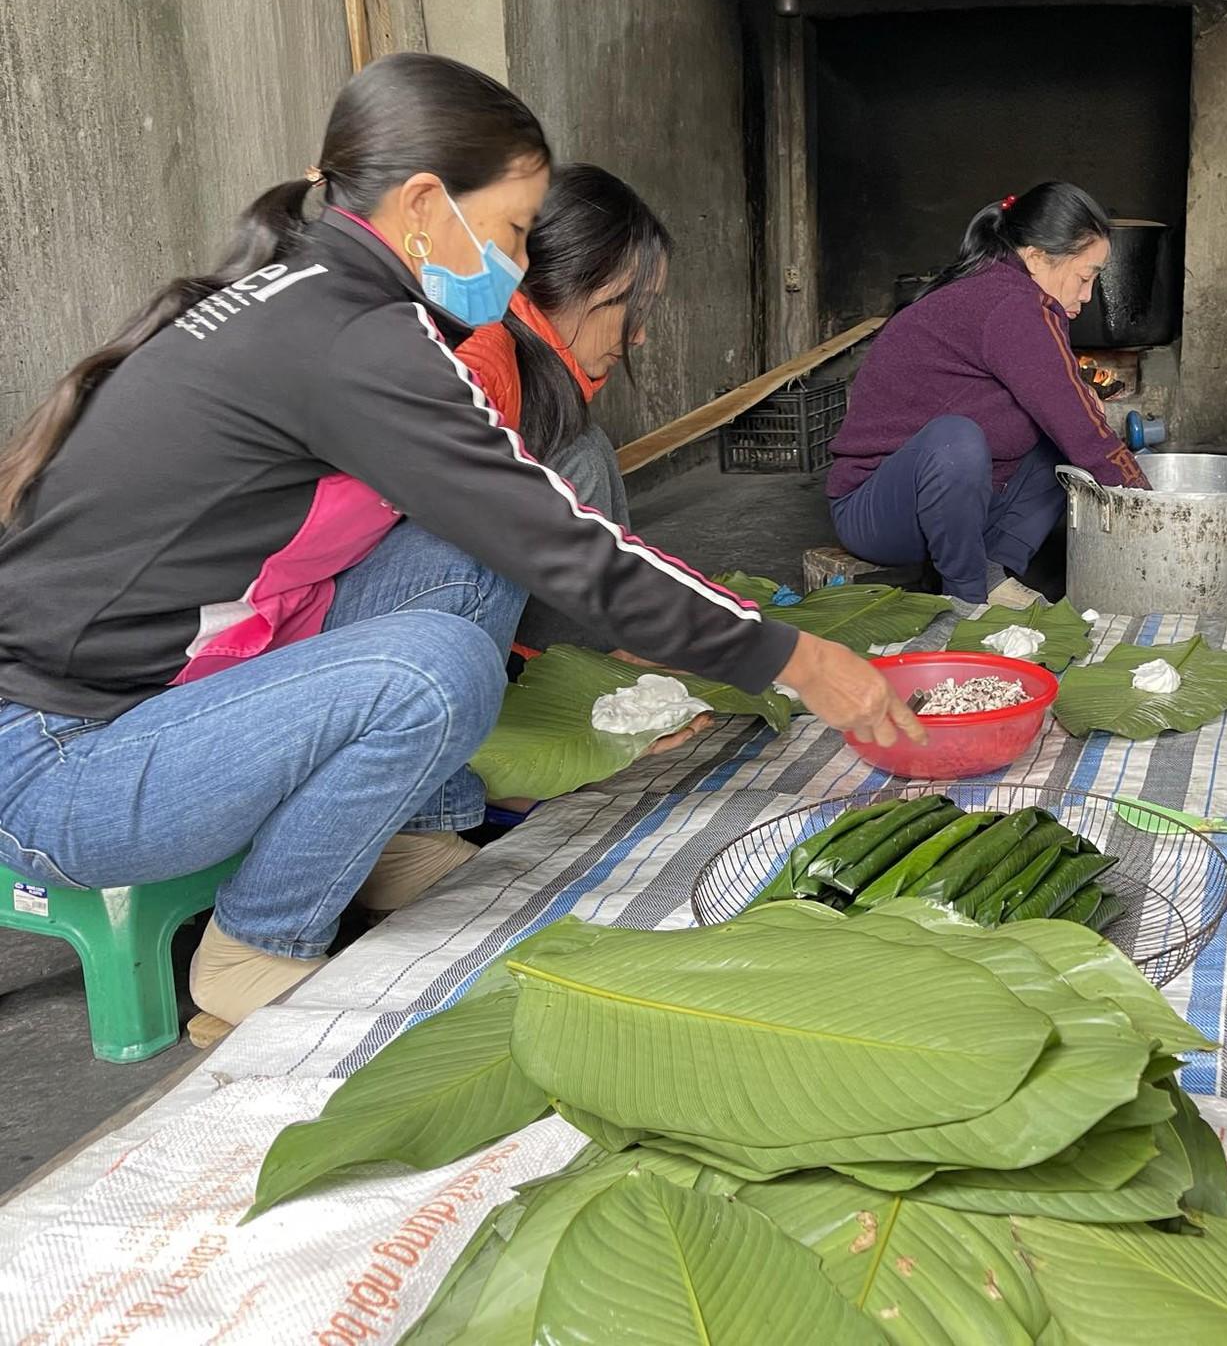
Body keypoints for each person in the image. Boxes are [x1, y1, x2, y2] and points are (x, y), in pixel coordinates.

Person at [0, 52, 918, 1043]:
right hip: (63, 773)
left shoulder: (319, 298)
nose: (521, 266)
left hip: (164, 711)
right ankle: (257, 945)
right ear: (428, 203)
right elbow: (564, 548)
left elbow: (516, 522)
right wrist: (797, 658)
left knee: (468, 546)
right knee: (436, 670)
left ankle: (401, 841)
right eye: (514, 232)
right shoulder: (352, 339)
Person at [826, 182, 1150, 612]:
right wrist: (1147, 507)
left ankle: (992, 571)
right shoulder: (1014, 306)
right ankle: (968, 595)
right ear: (1035, 257)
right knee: (957, 441)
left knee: (1059, 444)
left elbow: (1068, 417)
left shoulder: (1005, 292)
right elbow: (1080, 426)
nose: (1088, 296)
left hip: (951, 503)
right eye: (1084, 277)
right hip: (878, 511)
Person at [453, 162, 663, 654]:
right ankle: (577, 666)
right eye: (631, 306)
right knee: (577, 459)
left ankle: (594, 655)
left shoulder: (512, 354)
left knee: (584, 446)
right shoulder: (477, 363)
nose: (639, 335)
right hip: (389, 630)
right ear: (567, 281)